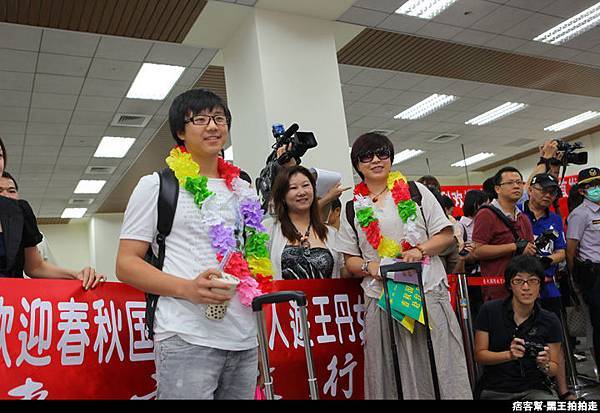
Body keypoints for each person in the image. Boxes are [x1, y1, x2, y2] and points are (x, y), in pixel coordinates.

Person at [116, 89, 270, 399]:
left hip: (244, 337)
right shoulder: (157, 185)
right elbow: (126, 263)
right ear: (179, 131)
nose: (213, 126)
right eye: (200, 119)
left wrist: (259, 332)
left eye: (219, 118)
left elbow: (253, 263)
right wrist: (188, 289)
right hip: (186, 334)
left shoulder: (243, 188)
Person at [336, 132, 472, 399]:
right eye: (367, 156)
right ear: (357, 163)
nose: (376, 160)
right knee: (390, 369)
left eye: (382, 153)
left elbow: (445, 235)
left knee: (439, 363)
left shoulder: (415, 192)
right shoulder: (352, 207)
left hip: (426, 288)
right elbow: (348, 259)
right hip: (382, 296)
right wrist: (368, 267)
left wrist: (419, 250)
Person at [0, 138, 103, 288]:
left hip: (8, 303)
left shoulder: (19, 212)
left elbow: (35, 267)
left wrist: (76, 275)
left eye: (0, 156)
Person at [474, 255, 562, 400]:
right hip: (495, 389)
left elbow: (554, 368)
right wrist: (509, 355)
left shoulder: (550, 320)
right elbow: (479, 355)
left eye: (533, 281)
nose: (526, 287)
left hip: (534, 390)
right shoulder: (489, 310)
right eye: (519, 281)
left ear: (540, 285)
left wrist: (545, 365)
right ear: (509, 284)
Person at [520, 173, 573, 400]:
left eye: (552, 192)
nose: (548, 195)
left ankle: (563, 390)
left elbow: (562, 250)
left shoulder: (555, 219)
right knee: (525, 342)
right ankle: (531, 390)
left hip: (550, 289)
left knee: (555, 342)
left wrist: (549, 260)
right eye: (543, 190)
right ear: (530, 190)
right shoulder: (518, 217)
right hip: (523, 292)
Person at [267, 165, 344, 280]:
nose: (301, 192)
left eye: (306, 185)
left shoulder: (331, 233)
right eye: (293, 188)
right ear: (282, 196)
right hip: (282, 297)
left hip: (323, 297)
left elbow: (344, 273)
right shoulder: (268, 229)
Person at [472, 167, 536, 301]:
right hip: (498, 290)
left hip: (523, 288)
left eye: (519, 182)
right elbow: (477, 250)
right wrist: (514, 247)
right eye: (510, 183)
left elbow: (530, 248)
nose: (516, 186)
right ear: (497, 189)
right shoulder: (486, 214)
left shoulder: (523, 218)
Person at [566, 167, 600, 373]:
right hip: (594, 274)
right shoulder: (579, 215)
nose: (597, 188)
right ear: (582, 191)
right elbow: (571, 252)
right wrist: (575, 281)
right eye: (591, 186)